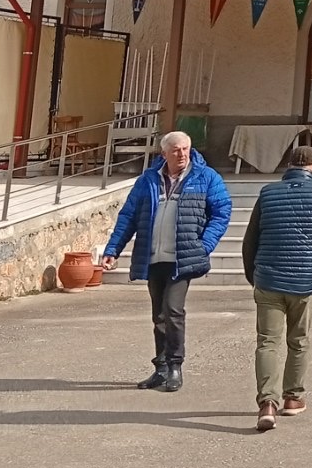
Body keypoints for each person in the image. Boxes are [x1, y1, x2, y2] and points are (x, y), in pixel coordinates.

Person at [99, 129, 232, 392]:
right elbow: (128, 216)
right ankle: (160, 368)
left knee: (173, 311)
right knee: (158, 314)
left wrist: (203, 245)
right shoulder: (148, 179)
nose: (182, 154)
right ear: (164, 153)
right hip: (153, 257)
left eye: (185, 149)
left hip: (182, 258)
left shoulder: (205, 177)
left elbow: (221, 212)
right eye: (175, 150)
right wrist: (113, 249)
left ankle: (174, 366)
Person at [241, 145, 312, 432]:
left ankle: (267, 404)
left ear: (288, 166)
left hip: (268, 280)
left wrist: (254, 276)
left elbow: (250, 240)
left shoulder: (267, 193)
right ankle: (293, 398)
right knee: (298, 341)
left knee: (267, 343)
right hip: (304, 282)